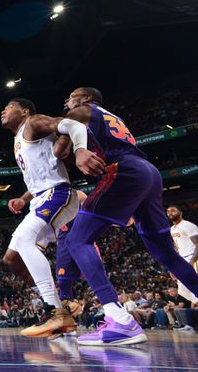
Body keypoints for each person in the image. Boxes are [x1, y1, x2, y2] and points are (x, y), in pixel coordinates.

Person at [60, 87, 198, 345]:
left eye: (71, 96)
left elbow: (53, 127)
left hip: (123, 171)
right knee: (166, 254)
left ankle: (119, 320)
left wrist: (32, 127)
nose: (67, 101)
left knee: (77, 240)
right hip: (149, 173)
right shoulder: (111, 117)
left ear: (86, 99)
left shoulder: (85, 111)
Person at [0, 98, 83, 338]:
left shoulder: (33, 122)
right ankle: (63, 309)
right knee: (12, 259)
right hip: (39, 197)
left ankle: (55, 310)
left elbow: (71, 124)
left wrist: (78, 150)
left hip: (58, 193)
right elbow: (40, 174)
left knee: (26, 240)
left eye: (9, 106)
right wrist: (23, 199)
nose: (3, 110)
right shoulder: (18, 139)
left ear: (24, 111)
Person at [167, 206, 198, 304]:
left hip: (193, 258)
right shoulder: (172, 229)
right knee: (185, 291)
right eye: (168, 212)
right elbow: (176, 248)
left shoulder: (188, 225)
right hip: (182, 260)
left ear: (180, 212)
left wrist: (192, 261)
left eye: (173, 210)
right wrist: (173, 267)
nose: (170, 213)